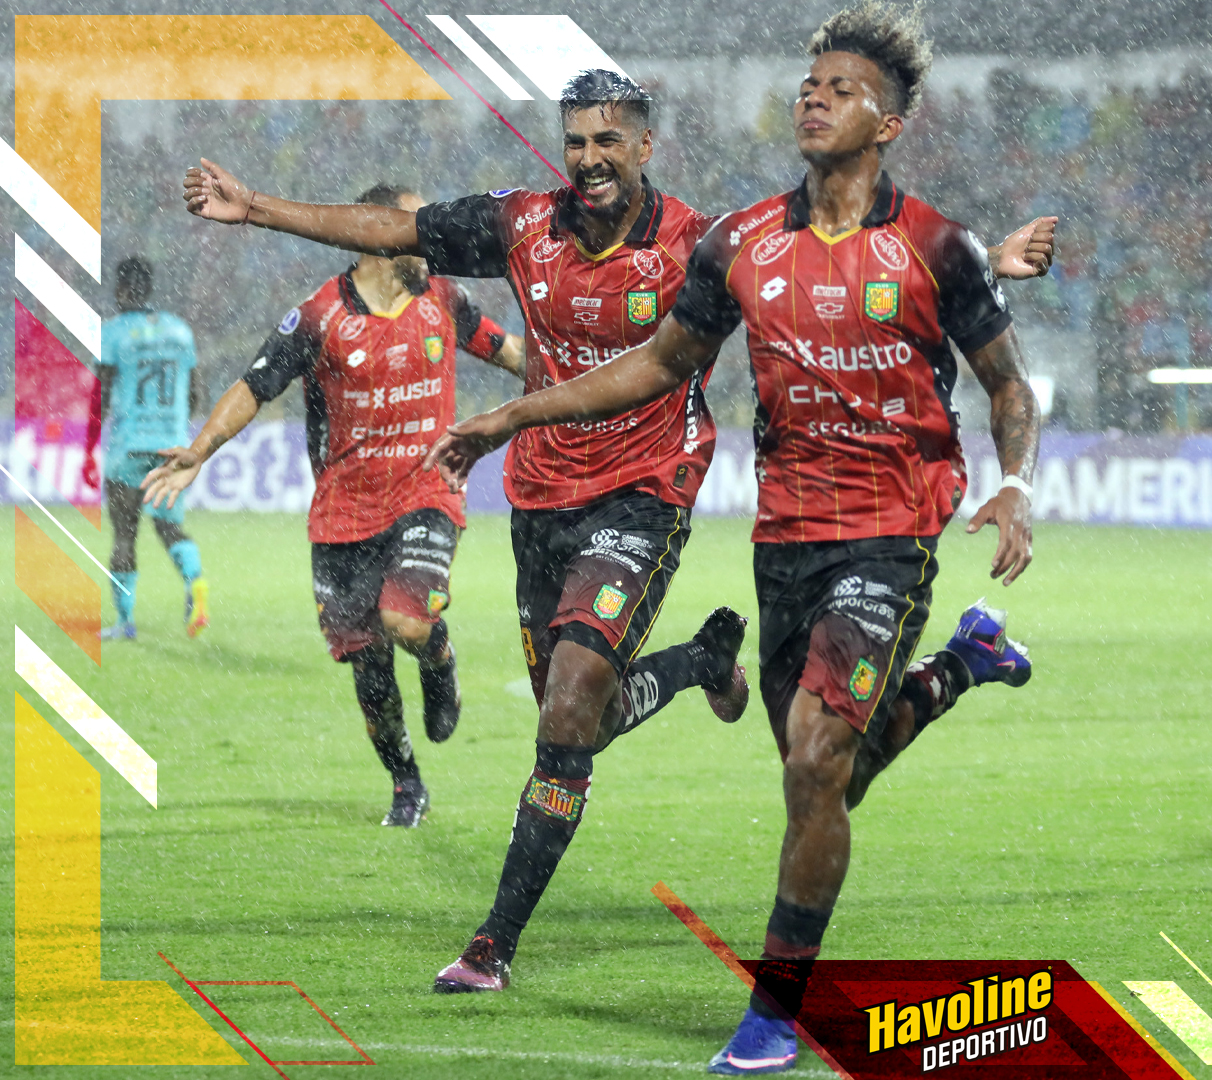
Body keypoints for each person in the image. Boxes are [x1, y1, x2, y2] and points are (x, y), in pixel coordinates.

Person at [182, 68, 1053, 997]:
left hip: (644, 492)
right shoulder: (522, 224)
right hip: (541, 499)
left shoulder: (693, 240)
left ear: (645, 146)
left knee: (568, 712)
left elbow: (825, 256)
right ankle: (699, 664)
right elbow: (397, 230)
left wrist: (978, 261)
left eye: (608, 140)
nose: (590, 158)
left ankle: (492, 945)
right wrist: (258, 208)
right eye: (576, 141)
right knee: (580, 728)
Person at [424, 4, 1044, 1071]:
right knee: (828, 774)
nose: (815, 98)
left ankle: (775, 1012)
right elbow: (659, 365)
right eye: (811, 84)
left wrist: (1017, 483)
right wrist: (514, 415)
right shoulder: (742, 242)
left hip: (891, 531)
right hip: (785, 537)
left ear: (889, 122)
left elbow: (1008, 385)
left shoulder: (938, 244)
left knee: (815, 760)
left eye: (842, 89)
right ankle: (959, 668)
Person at [146, 185, 523, 827]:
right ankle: (406, 783)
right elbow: (255, 385)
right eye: (416, 225)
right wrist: (201, 449)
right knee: (369, 667)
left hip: (426, 490)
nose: (430, 237)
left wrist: (586, 380)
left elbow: (511, 352)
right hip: (343, 513)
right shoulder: (319, 316)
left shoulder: (443, 297)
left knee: (406, 622)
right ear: (378, 237)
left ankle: (438, 656)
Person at [97, 256, 208, 640]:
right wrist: (173, 430)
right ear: (148, 288)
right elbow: (194, 393)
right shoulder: (179, 331)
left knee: (125, 535)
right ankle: (195, 581)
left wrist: (92, 436)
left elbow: (101, 392)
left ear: (122, 289)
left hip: (129, 445)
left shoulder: (113, 333)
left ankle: (124, 622)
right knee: (169, 526)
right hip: (170, 446)